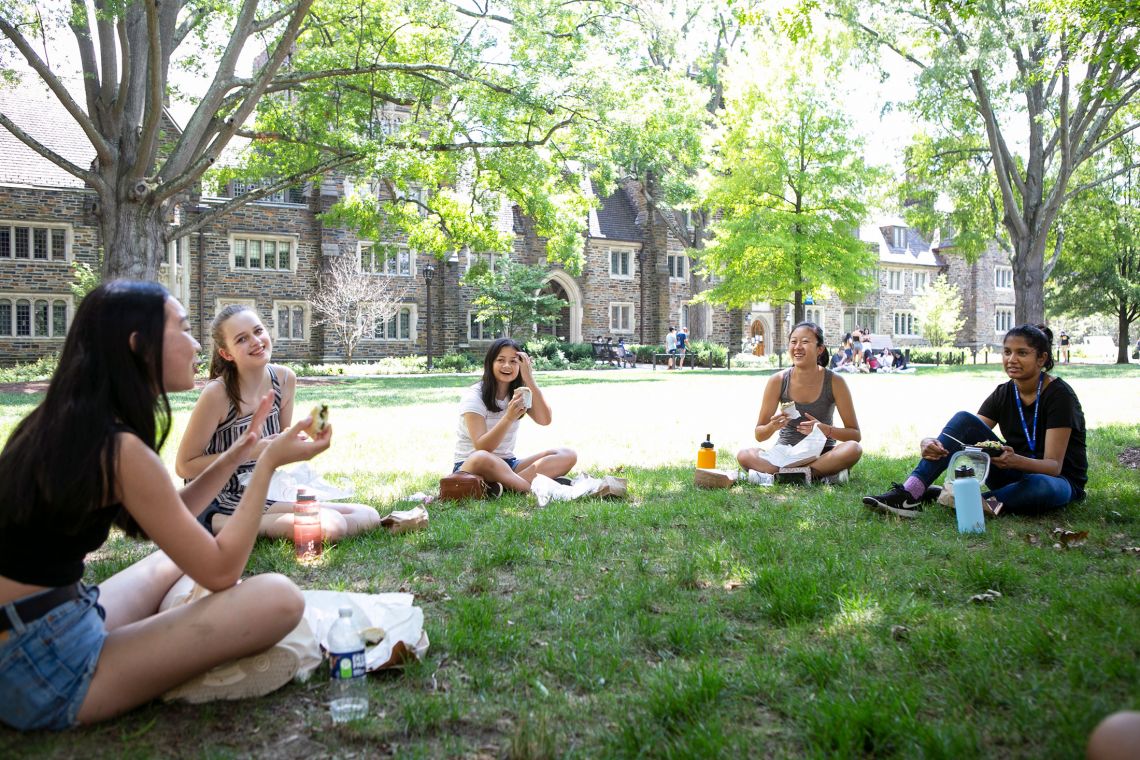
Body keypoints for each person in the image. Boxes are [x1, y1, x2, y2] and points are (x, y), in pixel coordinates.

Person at [0, 280, 330, 731]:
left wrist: (244, 448)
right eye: (184, 328)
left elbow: (172, 510)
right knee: (280, 598)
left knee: (171, 558)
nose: (198, 344)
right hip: (42, 666)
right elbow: (222, 571)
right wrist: (269, 462)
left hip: (43, 620)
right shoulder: (119, 449)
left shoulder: (73, 422)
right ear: (140, 347)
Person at [177, 305, 381, 540]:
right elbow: (185, 466)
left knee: (368, 515)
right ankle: (213, 520)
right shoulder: (217, 394)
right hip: (219, 494)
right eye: (242, 339)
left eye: (258, 331)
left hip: (262, 486)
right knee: (330, 526)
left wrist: (298, 443)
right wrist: (251, 451)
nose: (255, 341)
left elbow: (275, 450)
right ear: (227, 353)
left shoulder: (284, 379)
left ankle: (238, 522)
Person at [864, 324, 1087, 518]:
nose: (1011, 359)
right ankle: (911, 493)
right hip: (1013, 474)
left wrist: (1015, 461)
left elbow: (1053, 467)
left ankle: (962, 499)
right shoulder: (1004, 393)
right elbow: (966, 435)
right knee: (963, 419)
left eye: (1022, 353)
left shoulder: (1059, 395)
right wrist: (929, 441)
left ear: (1042, 359)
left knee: (1039, 486)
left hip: (1058, 482)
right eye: (1007, 352)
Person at [736, 322, 863, 484]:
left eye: (805, 342)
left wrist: (824, 430)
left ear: (820, 349)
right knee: (745, 454)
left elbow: (855, 435)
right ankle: (819, 475)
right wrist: (772, 426)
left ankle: (781, 476)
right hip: (784, 454)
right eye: (793, 342)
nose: (797, 347)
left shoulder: (835, 382)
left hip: (822, 454)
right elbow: (759, 434)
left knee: (853, 449)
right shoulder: (778, 380)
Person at [452, 338, 577, 495]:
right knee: (482, 457)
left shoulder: (520, 393)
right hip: (472, 465)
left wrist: (529, 378)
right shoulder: (474, 396)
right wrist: (509, 418)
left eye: (513, 361)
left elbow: (545, 420)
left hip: (508, 464)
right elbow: (482, 447)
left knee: (567, 454)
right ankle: (532, 488)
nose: (507, 366)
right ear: (490, 363)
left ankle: (504, 487)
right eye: (501, 360)